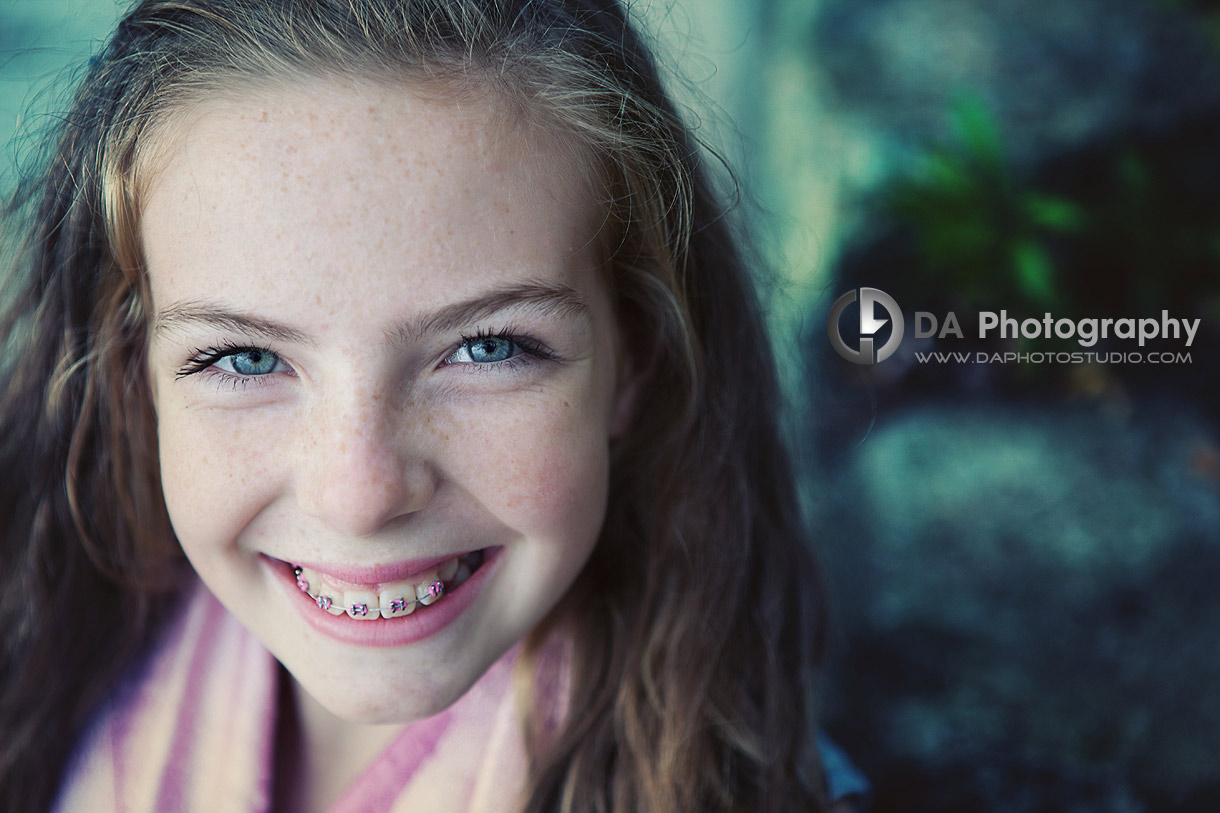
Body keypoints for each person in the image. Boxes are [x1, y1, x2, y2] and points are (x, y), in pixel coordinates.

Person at [0, 1, 865, 810]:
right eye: (246, 356)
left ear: (634, 360)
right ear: (132, 371)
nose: (360, 493)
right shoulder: (48, 677)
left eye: (487, 347)